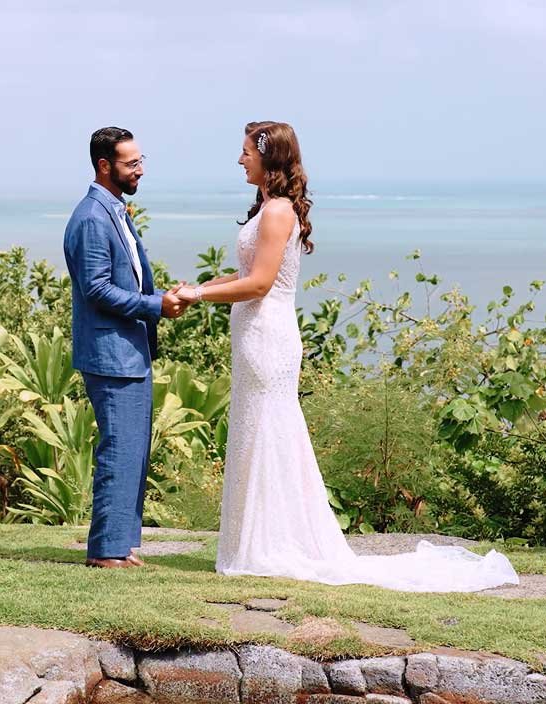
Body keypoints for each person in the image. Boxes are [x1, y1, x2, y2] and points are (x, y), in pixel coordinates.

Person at [176, 123, 519, 591]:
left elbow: (259, 285)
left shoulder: (277, 213)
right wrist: (197, 288)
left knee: (269, 429)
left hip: (267, 335)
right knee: (256, 429)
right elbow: (244, 274)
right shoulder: (269, 209)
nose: (240, 161)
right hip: (253, 333)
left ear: (268, 158)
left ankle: (270, 543)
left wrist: (196, 295)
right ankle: (255, 540)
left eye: (244, 153)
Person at [63, 127, 186, 569]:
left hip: (128, 351)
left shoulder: (114, 210)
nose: (140, 170)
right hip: (110, 353)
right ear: (104, 166)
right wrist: (156, 305)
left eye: (140, 161)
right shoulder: (93, 217)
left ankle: (122, 544)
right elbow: (96, 288)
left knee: (133, 447)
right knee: (119, 447)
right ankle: (106, 550)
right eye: (132, 163)